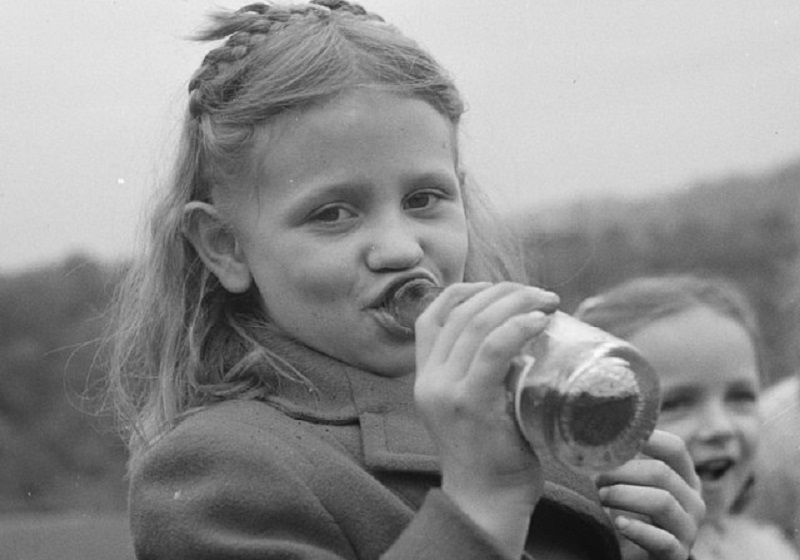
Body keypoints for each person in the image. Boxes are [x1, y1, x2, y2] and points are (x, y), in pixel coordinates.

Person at [107, 2, 703, 559]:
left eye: (424, 199)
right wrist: (480, 502)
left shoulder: (531, 405)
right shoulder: (222, 468)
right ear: (225, 246)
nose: (399, 248)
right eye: (332, 214)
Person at [575, 273, 799, 560]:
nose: (720, 427)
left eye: (740, 397)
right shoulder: (574, 549)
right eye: (675, 403)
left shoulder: (768, 551)